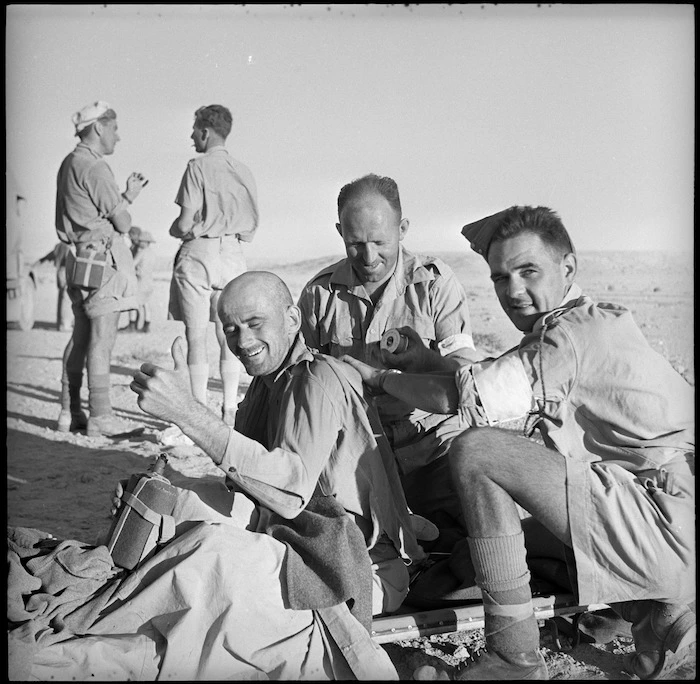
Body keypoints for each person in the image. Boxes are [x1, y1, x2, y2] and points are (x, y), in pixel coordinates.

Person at [343, 205, 696, 680]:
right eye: (500, 277)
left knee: (478, 450)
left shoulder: (564, 342)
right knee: (492, 549)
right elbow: (490, 377)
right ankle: (651, 611)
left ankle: (513, 657)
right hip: (663, 512)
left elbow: (460, 397)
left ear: (567, 267)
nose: (513, 291)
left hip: (664, 522)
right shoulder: (583, 324)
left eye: (529, 271)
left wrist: (380, 377)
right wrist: (423, 358)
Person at [122, 271, 425, 678]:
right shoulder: (264, 389)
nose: (242, 341)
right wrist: (165, 496)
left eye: (254, 324)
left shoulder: (320, 378)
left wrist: (186, 413)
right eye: (230, 329)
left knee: (204, 578)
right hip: (295, 547)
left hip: (353, 568)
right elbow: (245, 489)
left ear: (293, 320)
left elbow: (290, 489)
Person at [297, 173, 483, 540]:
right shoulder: (319, 295)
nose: (369, 257)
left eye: (381, 242)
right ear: (340, 232)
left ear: (403, 228)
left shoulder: (435, 285)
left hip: (432, 448)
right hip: (356, 457)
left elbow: (466, 380)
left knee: (473, 537)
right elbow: (302, 385)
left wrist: (418, 366)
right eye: (355, 243)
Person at [55, 100, 148, 437]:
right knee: (101, 340)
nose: (117, 137)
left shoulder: (69, 163)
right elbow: (121, 222)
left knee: (79, 337)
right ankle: (101, 416)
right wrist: (129, 198)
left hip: (78, 258)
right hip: (102, 262)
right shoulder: (94, 167)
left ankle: (69, 412)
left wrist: (123, 195)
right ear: (98, 127)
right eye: (114, 128)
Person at [167, 104, 258, 430]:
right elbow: (249, 230)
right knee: (229, 333)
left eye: (195, 129)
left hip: (200, 252)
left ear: (205, 131)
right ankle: (229, 408)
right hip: (232, 252)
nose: (192, 135)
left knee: (195, 335)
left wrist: (176, 230)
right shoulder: (243, 170)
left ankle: (199, 413)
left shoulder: (197, 167)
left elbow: (185, 220)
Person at [35, 241, 73, 331]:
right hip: (66, 272)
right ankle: (64, 325)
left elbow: (47, 257)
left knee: (62, 298)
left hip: (59, 273)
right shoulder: (68, 247)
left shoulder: (58, 246)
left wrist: (34, 265)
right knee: (66, 299)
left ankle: (60, 323)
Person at [124, 229, 156, 333]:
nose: (139, 242)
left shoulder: (142, 252)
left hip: (140, 281)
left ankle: (132, 326)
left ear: (145, 242)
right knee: (146, 304)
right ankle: (146, 325)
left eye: (141, 241)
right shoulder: (152, 253)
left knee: (134, 302)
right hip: (149, 281)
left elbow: (132, 264)